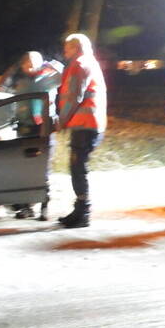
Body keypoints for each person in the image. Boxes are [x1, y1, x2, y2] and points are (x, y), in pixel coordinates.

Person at [0, 51, 63, 220]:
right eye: (26, 64)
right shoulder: (20, 82)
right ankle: (26, 207)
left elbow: (67, 75)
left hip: (45, 127)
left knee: (43, 169)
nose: (30, 67)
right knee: (24, 168)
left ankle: (44, 207)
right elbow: (3, 87)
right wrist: (12, 69)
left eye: (34, 63)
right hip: (24, 127)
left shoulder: (49, 77)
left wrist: (51, 64)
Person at [56, 33, 107, 228]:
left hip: (84, 125)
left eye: (67, 48)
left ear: (75, 48)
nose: (64, 51)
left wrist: (62, 121)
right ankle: (79, 209)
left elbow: (75, 97)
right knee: (78, 167)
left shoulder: (79, 64)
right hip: (90, 124)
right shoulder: (90, 62)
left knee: (78, 168)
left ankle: (83, 212)